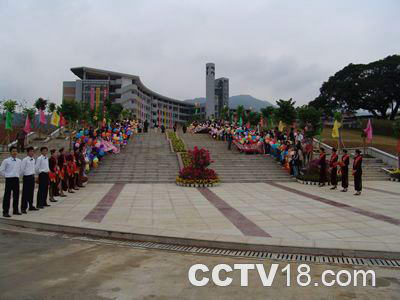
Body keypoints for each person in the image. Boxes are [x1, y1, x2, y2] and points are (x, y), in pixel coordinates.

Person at [0, 146, 21, 217]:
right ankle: (5, 211)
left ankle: (15, 210)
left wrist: (18, 175)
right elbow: (1, 170)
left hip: (16, 179)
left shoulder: (19, 160)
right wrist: (7, 175)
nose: (15, 153)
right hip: (9, 179)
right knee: (7, 196)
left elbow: (20, 170)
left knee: (16, 195)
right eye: (13, 151)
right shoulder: (6, 161)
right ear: (10, 152)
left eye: (16, 151)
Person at [20, 146, 38, 213]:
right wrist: (24, 176)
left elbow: (33, 169)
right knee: (25, 193)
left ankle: (30, 206)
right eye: (30, 151)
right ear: (27, 152)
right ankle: (23, 207)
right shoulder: (25, 160)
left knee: (31, 192)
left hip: (32, 177)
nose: (32, 153)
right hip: (26, 177)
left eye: (33, 151)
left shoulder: (33, 159)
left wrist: (35, 176)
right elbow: (22, 169)